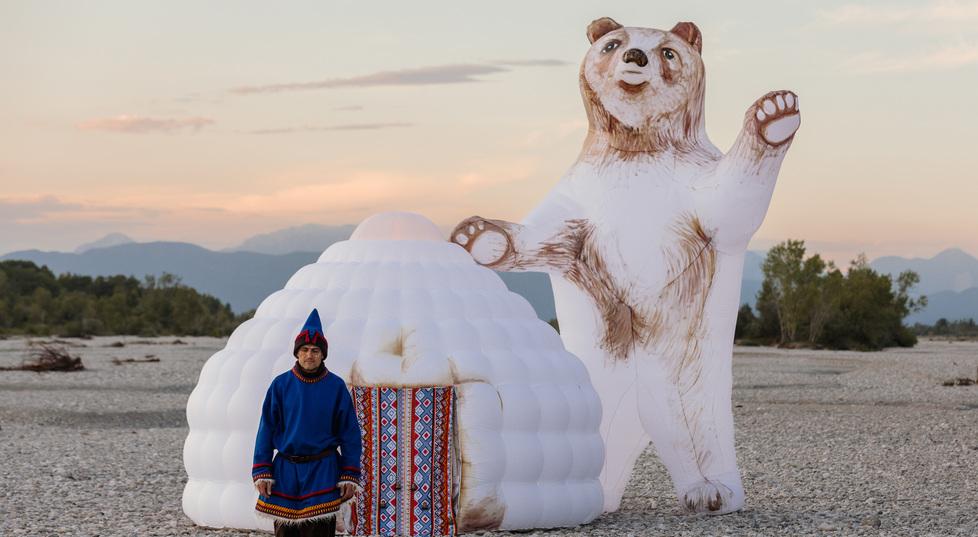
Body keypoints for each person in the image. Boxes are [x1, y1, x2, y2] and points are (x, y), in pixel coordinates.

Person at [252, 308, 362, 537]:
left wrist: (349, 474)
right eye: (304, 350)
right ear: (297, 353)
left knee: (319, 533)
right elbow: (266, 429)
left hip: (323, 469)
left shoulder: (335, 387)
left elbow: (349, 434)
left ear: (322, 354)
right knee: (285, 533)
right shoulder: (280, 385)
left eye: (314, 350)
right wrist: (262, 470)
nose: (309, 355)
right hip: (285, 471)